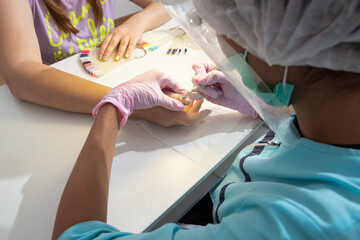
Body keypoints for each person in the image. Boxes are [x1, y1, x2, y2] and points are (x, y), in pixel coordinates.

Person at [52, 0, 360, 239]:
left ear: (281, 49)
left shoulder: (283, 225)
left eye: (227, 26)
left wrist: (113, 107)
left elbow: (78, 236)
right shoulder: (334, 115)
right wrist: (267, 108)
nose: (218, 37)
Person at [0, 0, 206, 127]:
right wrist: (125, 103)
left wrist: (137, 22)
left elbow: (167, 4)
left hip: (109, 79)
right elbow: (21, 75)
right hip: (57, 104)